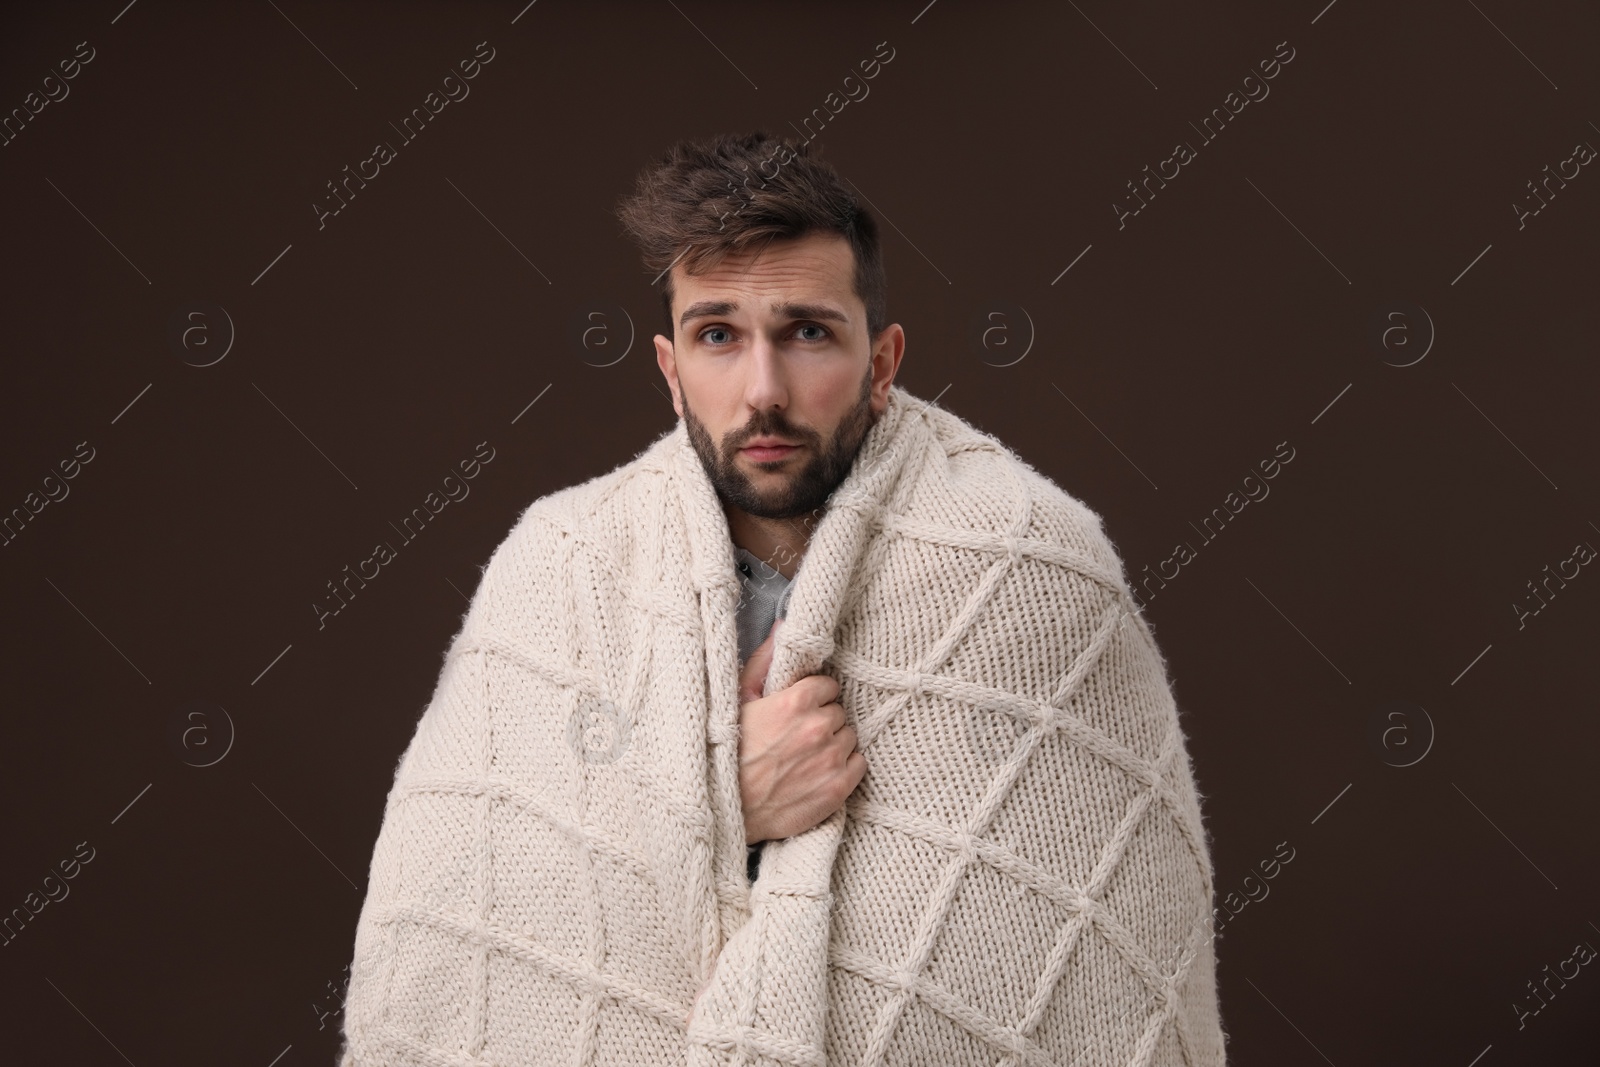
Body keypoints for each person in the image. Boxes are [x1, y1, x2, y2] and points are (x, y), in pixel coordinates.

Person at [337, 131, 1226, 1066]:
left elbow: (1108, 960)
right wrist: (719, 797)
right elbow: (449, 909)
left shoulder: (1031, 567)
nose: (763, 391)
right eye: (717, 335)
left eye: (807, 332)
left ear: (882, 362)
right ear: (670, 370)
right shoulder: (559, 568)